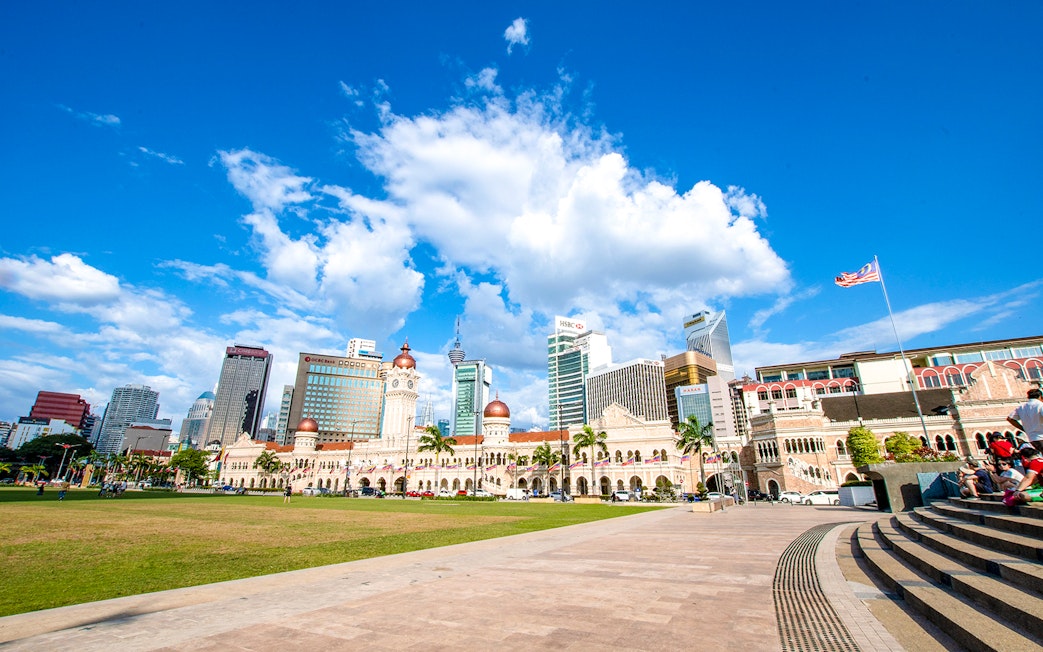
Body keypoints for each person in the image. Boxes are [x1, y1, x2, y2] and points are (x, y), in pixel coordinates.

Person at [1007, 388, 1043, 453]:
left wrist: (1023, 428)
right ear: (1040, 396)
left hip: (1033, 438)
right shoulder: (1040, 405)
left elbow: (1010, 419)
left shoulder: (1021, 407)